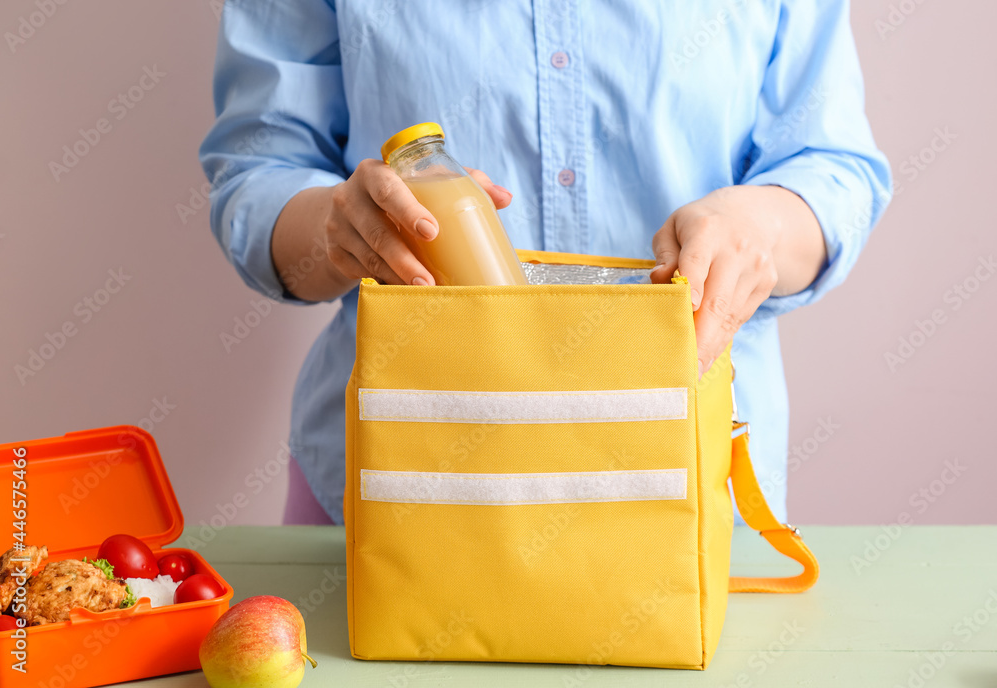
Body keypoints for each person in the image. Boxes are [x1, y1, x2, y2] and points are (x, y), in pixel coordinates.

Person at [200, 1, 891, 525]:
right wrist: (339, 229)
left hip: (683, 474)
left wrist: (759, 223)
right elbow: (261, 171)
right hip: (400, 483)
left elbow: (834, 165)